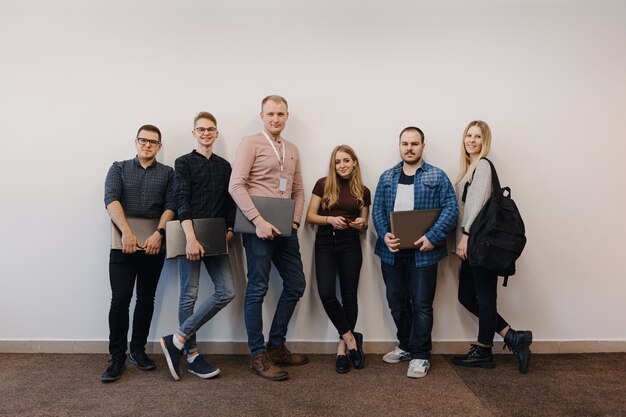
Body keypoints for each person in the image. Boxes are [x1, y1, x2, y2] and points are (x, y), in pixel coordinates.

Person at [228, 95, 308, 381]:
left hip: (286, 229)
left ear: (287, 116)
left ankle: (276, 345)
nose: (276, 119)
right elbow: (235, 185)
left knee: (296, 284)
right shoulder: (250, 143)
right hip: (257, 228)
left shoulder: (292, 148)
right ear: (262, 115)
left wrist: (295, 221)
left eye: (281, 114)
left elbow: (298, 189)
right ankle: (257, 354)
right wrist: (258, 221)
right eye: (271, 113)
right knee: (258, 289)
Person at [372, 126, 458, 378]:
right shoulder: (387, 177)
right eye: (405, 143)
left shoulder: (437, 176)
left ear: (423, 146)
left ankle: (421, 355)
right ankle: (406, 346)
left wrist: (433, 237)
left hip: (424, 253)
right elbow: (377, 209)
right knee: (396, 303)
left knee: (421, 304)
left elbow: (451, 209)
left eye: (414, 144)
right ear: (399, 146)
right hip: (392, 253)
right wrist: (384, 234)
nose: (409, 148)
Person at [451, 120, 533, 374]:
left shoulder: (483, 165)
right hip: (474, 243)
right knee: (467, 296)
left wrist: (464, 237)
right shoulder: (469, 168)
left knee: (485, 298)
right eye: (468, 135)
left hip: (479, 243)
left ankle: (484, 349)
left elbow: (475, 205)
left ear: (485, 141)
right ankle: (512, 336)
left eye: (477, 136)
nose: (471, 140)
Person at [160, 112, 236, 381]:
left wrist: (229, 229)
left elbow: (230, 202)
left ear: (216, 133)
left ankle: (177, 338)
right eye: (201, 129)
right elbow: (182, 200)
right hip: (188, 234)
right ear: (194, 133)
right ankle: (191, 354)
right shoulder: (183, 163)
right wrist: (191, 238)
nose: (206, 133)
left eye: (211, 129)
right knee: (189, 295)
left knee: (226, 291)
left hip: (216, 237)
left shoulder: (225, 166)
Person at [102, 124, 176, 383]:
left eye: (152, 142)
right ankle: (117, 357)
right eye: (143, 140)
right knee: (120, 300)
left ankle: (138, 350)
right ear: (135, 142)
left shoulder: (168, 174)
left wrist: (159, 233)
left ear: (159, 146)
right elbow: (111, 199)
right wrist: (126, 232)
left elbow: (171, 205)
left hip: (154, 244)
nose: (147, 145)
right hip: (123, 243)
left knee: (146, 299)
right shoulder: (118, 168)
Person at [305, 145, 370, 374]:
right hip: (325, 241)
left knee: (349, 296)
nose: (342, 165)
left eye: (346, 160)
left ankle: (342, 348)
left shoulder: (363, 191)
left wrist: (361, 224)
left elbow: (364, 224)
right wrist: (330, 221)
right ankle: (353, 339)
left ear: (354, 163)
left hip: (351, 243)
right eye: (337, 161)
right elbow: (310, 216)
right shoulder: (323, 184)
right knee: (326, 293)